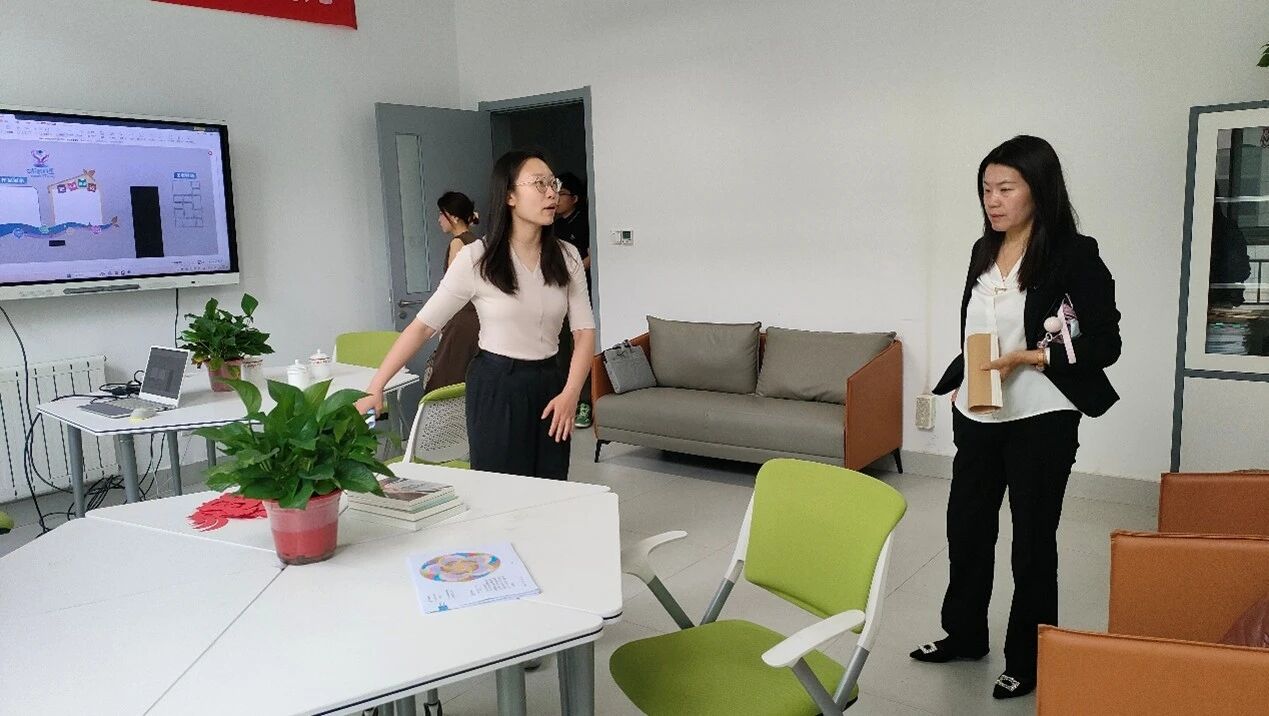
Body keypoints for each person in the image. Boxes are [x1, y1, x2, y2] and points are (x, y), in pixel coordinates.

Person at [911, 135, 1121, 700]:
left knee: (1032, 543)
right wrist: (960, 382)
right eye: (986, 189)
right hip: (978, 415)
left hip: (1042, 418)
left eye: (1005, 188)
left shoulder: (1075, 254)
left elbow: (1105, 344)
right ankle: (964, 635)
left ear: (1039, 190)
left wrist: (1034, 357)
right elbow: (977, 329)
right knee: (966, 529)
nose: (993, 200)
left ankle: (1027, 659)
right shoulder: (983, 251)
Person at [356, 150, 596, 480]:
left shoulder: (566, 256)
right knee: (499, 487)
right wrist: (377, 385)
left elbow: (584, 332)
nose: (552, 193)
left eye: (552, 183)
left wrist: (570, 394)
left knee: (551, 484)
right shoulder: (477, 258)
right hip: (496, 384)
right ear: (509, 195)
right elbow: (423, 327)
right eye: (539, 184)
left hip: (550, 382)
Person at [423, 191, 481, 392]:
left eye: (442, 214)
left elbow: (453, 290)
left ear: (454, 217)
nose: (439, 219)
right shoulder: (476, 241)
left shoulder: (458, 243)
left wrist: (441, 322)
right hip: (477, 319)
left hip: (461, 321)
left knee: (445, 381)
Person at [552, 171, 594, 428]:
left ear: (575, 198)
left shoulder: (585, 222)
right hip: (556, 293)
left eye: (562, 193)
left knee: (581, 345)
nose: (555, 198)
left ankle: (584, 402)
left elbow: (592, 255)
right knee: (560, 350)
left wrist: (573, 273)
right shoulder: (553, 225)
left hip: (580, 291)